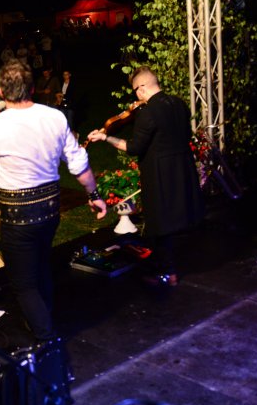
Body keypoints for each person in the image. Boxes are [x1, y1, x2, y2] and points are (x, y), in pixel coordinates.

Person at [0, 60, 107, 344]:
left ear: (1, 92)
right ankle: (44, 319)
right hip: (50, 209)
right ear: (32, 88)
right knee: (41, 267)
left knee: (24, 284)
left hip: (18, 216)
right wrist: (94, 195)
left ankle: (47, 339)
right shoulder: (54, 117)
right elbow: (78, 162)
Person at [85, 66, 205, 286]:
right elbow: (185, 134)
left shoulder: (148, 112)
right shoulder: (179, 104)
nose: (136, 97)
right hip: (182, 167)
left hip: (159, 173)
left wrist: (105, 138)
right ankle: (176, 266)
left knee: (160, 224)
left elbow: (134, 147)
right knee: (178, 215)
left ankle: (167, 274)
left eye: (135, 91)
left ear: (141, 88)